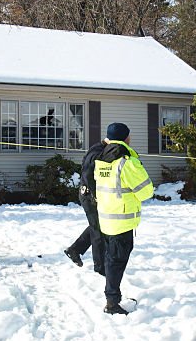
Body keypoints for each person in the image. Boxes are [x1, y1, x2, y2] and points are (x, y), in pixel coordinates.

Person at [95, 122, 154, 315]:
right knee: (116, 262)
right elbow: (146, 191)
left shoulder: (101, 159)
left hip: (105, 218)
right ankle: (112, 303)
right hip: (122, 220)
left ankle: (113, 296)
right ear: (126, 138)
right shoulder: (126, 162)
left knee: (111, 260)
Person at [64, 137, 107, 275]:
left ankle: (74, 250)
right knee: (98, 230)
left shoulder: (101, 149)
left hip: (92, 195)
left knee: (98, 225)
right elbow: (88, 174)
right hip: (89, 196)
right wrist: (95, 195)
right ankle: (100, 267)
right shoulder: (97, 151)